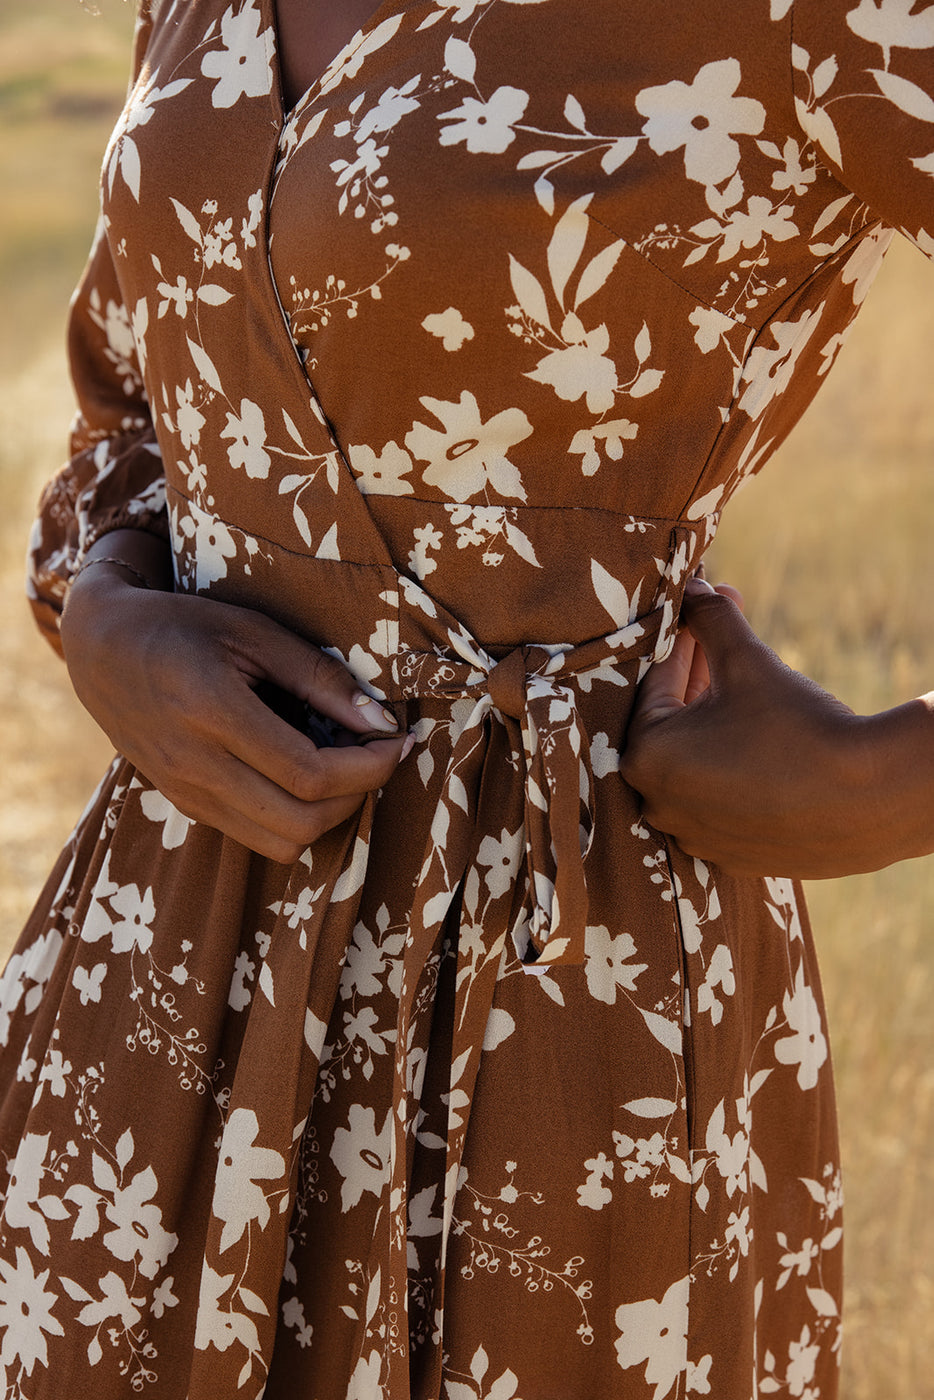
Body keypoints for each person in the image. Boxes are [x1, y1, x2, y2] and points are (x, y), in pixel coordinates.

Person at [1, 0, 931, 1395]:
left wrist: (890, 778)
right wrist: (105, 612)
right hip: (164, 973)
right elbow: (139, 415)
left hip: (563, 989)